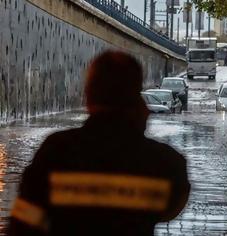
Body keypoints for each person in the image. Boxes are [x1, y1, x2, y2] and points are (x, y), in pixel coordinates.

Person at [8, 51, 190, 236]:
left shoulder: (55, 151)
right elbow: (170, 209)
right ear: (137, 98)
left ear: (88, 96)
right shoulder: (166, 163)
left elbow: (22, 226)